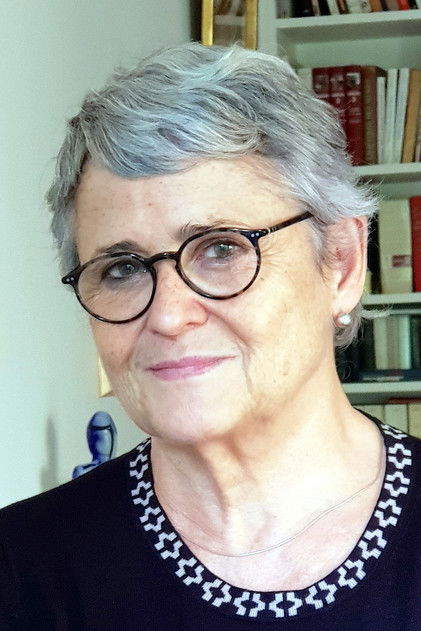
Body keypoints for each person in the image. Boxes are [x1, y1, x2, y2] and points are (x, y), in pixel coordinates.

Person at [0, 42, 420, 631]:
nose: (169, 316)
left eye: (222, 249)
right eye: (121, 269)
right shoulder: (21, 568)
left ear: (342, 264)